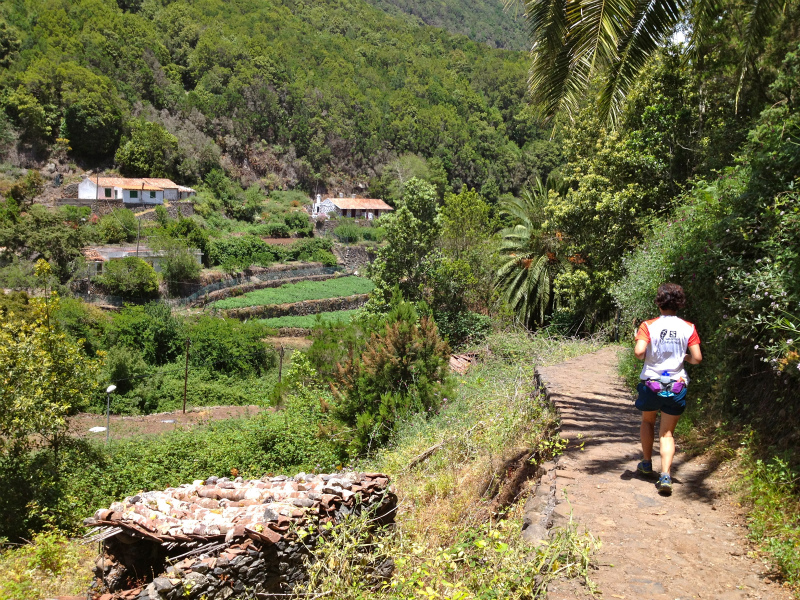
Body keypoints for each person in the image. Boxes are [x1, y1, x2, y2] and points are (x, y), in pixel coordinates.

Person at [633, 283, 702, 495]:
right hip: (676, 385)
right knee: (667, 433)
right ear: (679, 304)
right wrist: (684, 357)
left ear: (659, 302)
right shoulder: (688, 327)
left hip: (651, 384)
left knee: (647, 421)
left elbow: (638, 352)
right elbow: (697, 358)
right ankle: (665, 475)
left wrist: (647, 356)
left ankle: (646, 463)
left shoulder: (648, 326)